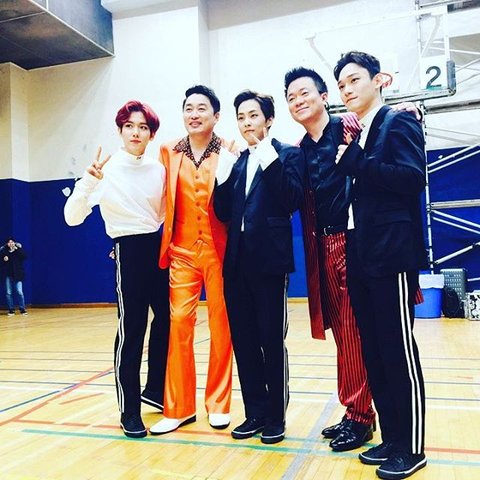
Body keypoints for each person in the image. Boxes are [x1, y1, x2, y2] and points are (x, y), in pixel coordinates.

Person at [334, 51, 427, 479]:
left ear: (378, 80)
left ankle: (412, 447)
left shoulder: (397, 120)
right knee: (374, 350)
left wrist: (357, 163)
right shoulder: (362, 131)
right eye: (342, 84)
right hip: (362, 252)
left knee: (398, 351)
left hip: (391, 252)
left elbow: (411, 178)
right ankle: (392, 438)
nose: (347, 89)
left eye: (354, 80)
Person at [64, 100, 170, 439]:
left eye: (143, 127)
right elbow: (72, 218)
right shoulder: (105, 171)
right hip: (128, 248)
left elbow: (164, 213)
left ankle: (155, 390)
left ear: (151, 134)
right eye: (129, 126)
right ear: (121, 131)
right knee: (132, 328)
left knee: (168, 320)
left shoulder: (158, 170)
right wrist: (87, 182)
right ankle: (130, 411)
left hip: (158, 248)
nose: (136, 132)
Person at [284, 67, 375, 452]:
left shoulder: (350, 126)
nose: (298, 101)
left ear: (324, 97)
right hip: (320, 247)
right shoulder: (298, 151)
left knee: (355, 331)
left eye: (304, 93)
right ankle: (354, 410)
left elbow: (381, 125)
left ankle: (361, 416)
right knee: (342, 333)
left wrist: (408, 110)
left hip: (354, 244)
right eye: (291, 97)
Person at [213, 90, 305, 444]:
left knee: (270, 340)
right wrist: (222, 174)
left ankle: (276, 416)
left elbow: (291, 198)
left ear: (269, 119)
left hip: (269, 262)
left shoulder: (288, 154)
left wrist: (266, 153)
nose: (246, 123)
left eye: (253, 115)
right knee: (245, 342)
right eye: (241, 117)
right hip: (236, 264)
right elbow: (223, 212)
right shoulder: (238, 162)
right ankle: (254, 412)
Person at [150, 85, 233, 435]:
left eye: (201, 108)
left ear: (216, 115)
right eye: (188, 108)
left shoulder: (229, 149)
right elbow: (155, 196)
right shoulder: (168, 151)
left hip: (219, 251)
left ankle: (219, 403)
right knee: (179, 323)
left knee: (221, 326)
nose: (194, 114)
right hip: (182, 251)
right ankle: (179, 407)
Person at [1, 239, 27, 316]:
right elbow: (1, 262)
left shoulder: (18, 250)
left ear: (14, 243)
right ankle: (11, 310)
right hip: (8, 274)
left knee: (19, 292)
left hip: (17, 274)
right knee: (8, 293)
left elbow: (24, 257)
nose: (11, 243)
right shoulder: (4, 251)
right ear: (7, 244)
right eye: (9, 242)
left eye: (12, 242)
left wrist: (17, 249)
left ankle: (22, 309)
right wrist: (4, 259)